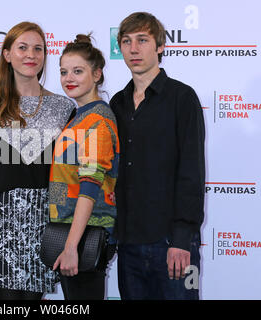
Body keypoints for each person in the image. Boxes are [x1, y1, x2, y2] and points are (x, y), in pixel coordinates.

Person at [0, 21, 75, 300]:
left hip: (44, 222)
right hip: (1, 223)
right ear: (7, 54)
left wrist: (59, 220)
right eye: (22, 47)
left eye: (38, 48)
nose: (31, 54)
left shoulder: (64, 108)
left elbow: (66, 173)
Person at [109, 12, 205, 300]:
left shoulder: (182, 97)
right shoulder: (117, 102)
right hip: (128, 245)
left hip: (172, 245)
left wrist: (182, 239)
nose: (133, 49)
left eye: (142, 40)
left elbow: (191, 172)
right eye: (126, 41)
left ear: (160, 46)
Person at [48, 34, 119, 300]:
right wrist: (54, 218)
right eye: (64, 71)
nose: (69, 78)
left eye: (78, 71)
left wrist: (70, 246)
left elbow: (90, 186)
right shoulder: (79, 116)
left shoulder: (98, 120)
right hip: (67, 230)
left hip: (84, 235)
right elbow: (61, 178)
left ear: (97, 74)